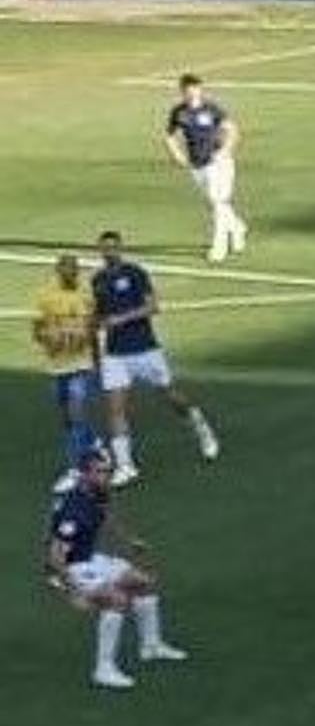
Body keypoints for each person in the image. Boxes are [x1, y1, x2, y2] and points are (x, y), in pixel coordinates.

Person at [46, 449, 188, 689]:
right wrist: (74, 593)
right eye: (100, 472)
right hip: (74, 567)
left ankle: (151, 646)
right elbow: (55, 557)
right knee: (117, 600)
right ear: (84, 475)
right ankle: (103, 669)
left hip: (91, 558)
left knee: (144, 582)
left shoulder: (96, 493)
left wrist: (130, 540)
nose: (106, 476)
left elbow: (106, 515)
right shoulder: (73, 510)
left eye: (107, 471)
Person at [91, 230, 219, 487]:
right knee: (115, 408)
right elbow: (99, 315)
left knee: (171, 396)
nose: (109, 253)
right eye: (105, 249)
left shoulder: (135, 274)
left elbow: (152, 307)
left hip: (145, 349)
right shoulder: (98, 280)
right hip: (115, 355)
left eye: (113, 248)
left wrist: (122, 319)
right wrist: (96, 339)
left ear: (120, 249)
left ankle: (200, 426)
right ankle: (126, 465)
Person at [31, 254, 101, 494]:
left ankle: (75, 470)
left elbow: (92, 328)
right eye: (67, 271)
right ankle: (94, 445)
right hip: (57, 365)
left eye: (74, 271)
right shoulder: (47, 295)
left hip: (80, 366)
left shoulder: (86, 295)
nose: (71, 274)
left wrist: (94, 357)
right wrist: (48, 340)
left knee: (76, 415)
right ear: (59, 271)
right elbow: (37, 328)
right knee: (67, 419)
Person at [165, 73, 248, 264]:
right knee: (216, 202)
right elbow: (169, 135)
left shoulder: (212, 109)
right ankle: (237, 228)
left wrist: (225, 150)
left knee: (218, 202)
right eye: (186, 90)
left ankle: (219, 247)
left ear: (200, 89)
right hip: (196, 164)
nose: (190, 92)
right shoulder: (179, 112)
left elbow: (232, 130)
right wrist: (176, 154)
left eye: (194, 88)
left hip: (217, 162)